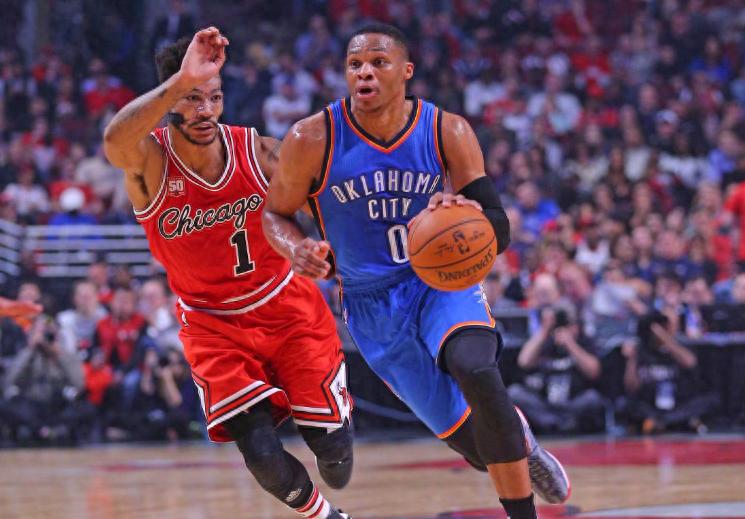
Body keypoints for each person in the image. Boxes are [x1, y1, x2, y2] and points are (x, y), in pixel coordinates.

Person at [263, 23, 569, 518]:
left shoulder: (447, 130)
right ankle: (523, 445)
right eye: (355, 64)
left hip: (438, 282)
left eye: (378, 62)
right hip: (369, 303)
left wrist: (463, 212)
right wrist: (297, 248)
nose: (364, 73)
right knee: (477, 447)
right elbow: (274, 214)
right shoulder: (311, 137)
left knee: (477, 370)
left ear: (406, 71)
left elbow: (499, 226)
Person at [103, 28, 352, 519]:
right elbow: (114, 140)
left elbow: (329, 213)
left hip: (286, 307)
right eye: (191, 98)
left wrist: (320, 251)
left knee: (336, 459)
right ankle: (326, 517)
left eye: (213, 97)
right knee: (260, 454)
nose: (205, 111)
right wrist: (182, 80)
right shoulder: (150, 161)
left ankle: (335, 436)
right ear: (170, 96)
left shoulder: (259, 151)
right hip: (212, 324)